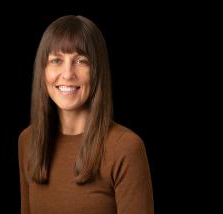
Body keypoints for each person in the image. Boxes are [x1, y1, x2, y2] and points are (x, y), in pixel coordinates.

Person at [18, 15, 154, 214]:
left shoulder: (126, 148)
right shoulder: (27, 141)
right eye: (56, 60)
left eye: (81, 61)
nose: (67, 74)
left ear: (97, 71)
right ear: (43, 70)